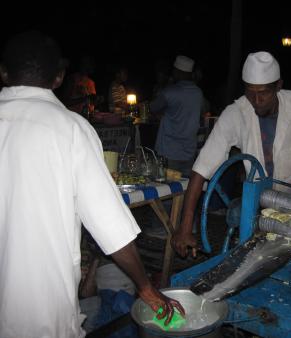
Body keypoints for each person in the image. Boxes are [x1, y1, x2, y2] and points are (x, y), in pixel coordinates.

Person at [0, 31, 183, 338]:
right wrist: (147, 288)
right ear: (59, 78)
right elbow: (111, 226)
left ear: (3, 72)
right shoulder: (70, 129)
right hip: (40, 312)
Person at [171, 51, 291, 257]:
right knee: (255, 258)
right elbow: (202, 168)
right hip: (258, 206)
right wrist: (185, 226)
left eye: (263, 94)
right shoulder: (236, 112)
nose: (256, 101)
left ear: (278, 86)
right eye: (250, 93)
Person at [150, 55, 204, 177]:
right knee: (184, 188)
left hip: (170, 151)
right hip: (189, 151)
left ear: (179, 72)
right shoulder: (198, 93)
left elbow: (153, 107)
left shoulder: (170, 92)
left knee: (168, 189)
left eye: (174, 70)